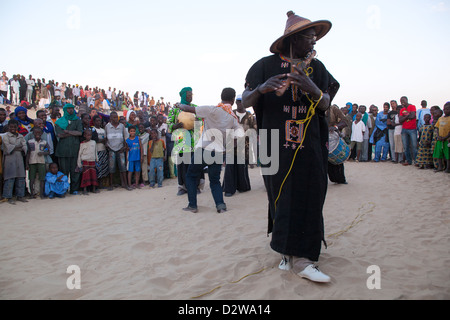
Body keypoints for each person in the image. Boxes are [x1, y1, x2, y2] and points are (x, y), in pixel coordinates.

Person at [242, 11, 339, 283]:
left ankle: (305, 258)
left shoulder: (317, 69)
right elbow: (243, 102)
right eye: (309, 36)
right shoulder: (263, 66)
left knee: (310, 192)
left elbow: (326, 104)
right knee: (279, 195)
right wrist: (260, 89)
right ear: (293, 39)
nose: (314, 41)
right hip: (274, 142)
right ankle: (286, 251)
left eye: (315, 36)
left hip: (309, 142)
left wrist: (312, 88)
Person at [177, 87, 244, 214]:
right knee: (215, 181)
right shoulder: (233, 118)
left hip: (203, 149)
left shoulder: (211, 109)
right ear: (233, 100)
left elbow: (188, 109)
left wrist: (179, 105)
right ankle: (221, 206)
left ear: (221, 97)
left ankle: (192, 205)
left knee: (191, 176)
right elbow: (239, 135)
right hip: (219, 152)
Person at [167, 87, 203, 196]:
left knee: (194, 164)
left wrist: (196, 122)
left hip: (194, 141)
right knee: (182, 165)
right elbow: (168, 125)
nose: (190, 97)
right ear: (183, 96)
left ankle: (196, 186)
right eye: (188, 95)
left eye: (191, 94)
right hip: (181, 141)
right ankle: (182, 187)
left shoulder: (195, 108)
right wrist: (175, 125)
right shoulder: (175, 109)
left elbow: (201, 122)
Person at [222, 95, 258, 196]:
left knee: (242, 167)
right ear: (236, 102)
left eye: (242, 101)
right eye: (239, 101)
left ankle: (243, 187)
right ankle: (229, 189)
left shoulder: (249, 116)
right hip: (231, 144)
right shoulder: (230, 113)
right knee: (230, 167)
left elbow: (254, 129)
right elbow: (224, 126)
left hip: (244, 146)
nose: (241, 103)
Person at [54, 104, 83, 195]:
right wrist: (72, 133)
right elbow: (60, 135)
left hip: (75, 149)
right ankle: (63, 189)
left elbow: (79, 133)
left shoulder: (77, 121)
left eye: (72, 108)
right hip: (63, 150)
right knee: (64, 171)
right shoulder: (59, 122)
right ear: (65, 110)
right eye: (68, 109)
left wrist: (68, 132)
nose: (70, 110)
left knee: (75, 171)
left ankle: (74, 189)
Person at [1, 120, 28, 204]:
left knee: (21, 178)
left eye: (15, 127)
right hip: (9, 160)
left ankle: (20, 196)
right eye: (11, 127)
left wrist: (15, 147)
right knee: (9, 178)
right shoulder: (5, 136)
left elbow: (25, 147)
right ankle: (7, 196)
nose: (13, 128)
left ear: (17, 127)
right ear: (8, 127)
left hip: (19, 159)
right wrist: (18, 147)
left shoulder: (20, 136)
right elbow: (7, 148)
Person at [326, 104, 350, 183]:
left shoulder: (333, 109)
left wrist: (335, 127)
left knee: (336, 160)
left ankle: (340, 179)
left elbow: (345, 121)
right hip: (320, 137)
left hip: (333, 137)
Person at [105, 111, 129, 190]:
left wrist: (124, 147)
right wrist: (108, 146)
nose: (116, 119)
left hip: (120, 149)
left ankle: (125, 184)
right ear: (111, 118)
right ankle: (111, 184)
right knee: (111, 168)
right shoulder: (107, 127)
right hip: (111, 149)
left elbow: (125, 138)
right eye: (114, 117)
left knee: (123, 167)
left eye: (117, 117)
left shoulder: (121, 126)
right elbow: (105, 139)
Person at [26, 127, 50, 198]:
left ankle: (41, 193)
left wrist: (43, 153)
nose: (37, 134)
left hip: (41, 162)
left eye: (39, 133)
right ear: (33, 134)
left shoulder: (44, 142)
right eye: (36, 133)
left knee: (42, 178)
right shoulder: (30, 142)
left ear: (42, 134)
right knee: (31, 178)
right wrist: (27, 163)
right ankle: (32, 194)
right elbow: (28, 153)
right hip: (32, 162)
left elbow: (48, 151)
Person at [77, 129, 99, 195]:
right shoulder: (82, 144)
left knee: (93, 175)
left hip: (92, 160)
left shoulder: (93, 142)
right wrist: (79, 163)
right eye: (87, 135)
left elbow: (95, 151)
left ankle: (94, 189)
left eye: (90, 135)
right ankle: (85, 189)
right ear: (84, 135)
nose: (89, 136)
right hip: (85, 161)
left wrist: (97, 159)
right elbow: (80, 154)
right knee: (85, 176)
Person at [399, 96, 418, 166]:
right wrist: (408, 115)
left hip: (412, 129)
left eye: (403, 100)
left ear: (407, 100)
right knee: (406, 146)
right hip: (404, 129)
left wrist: (404, 117)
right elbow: (400, 120)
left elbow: (413, 116)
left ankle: (416, 161)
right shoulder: (401, 110)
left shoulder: (412, 106)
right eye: (401, 101)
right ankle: (409, 161)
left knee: (414, 146)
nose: (402, 102)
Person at [92, 115, 109, 188]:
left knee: (103, 167)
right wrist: (102, 140)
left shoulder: (103, 130)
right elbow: (94, 140)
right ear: (94, 121)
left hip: (103, 150)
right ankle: (97, 184)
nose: (98, 122)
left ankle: (101, 183)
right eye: (97, 121)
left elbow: (105, 140)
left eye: (99, 121)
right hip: (96, 150)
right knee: (97, 168)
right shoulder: (93, 129)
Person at [433, 102, 450, 173]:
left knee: (447, 155)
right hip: (439, 139)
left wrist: (446, 137)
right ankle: (440, 167)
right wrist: (438, 136)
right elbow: (437, 128)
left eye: (448, 109)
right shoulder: (440, 118)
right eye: (445, 109)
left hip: (447, 140)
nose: (446, 110)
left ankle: (448, 168)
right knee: (439, 154)